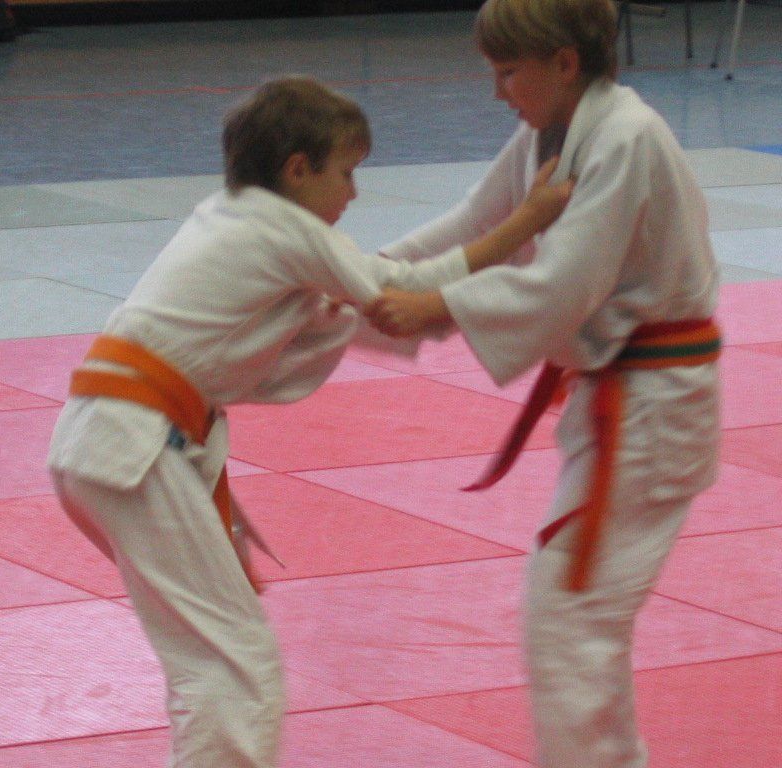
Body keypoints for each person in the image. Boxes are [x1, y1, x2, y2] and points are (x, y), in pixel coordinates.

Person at [47, 75, 572, 768]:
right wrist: (525, 222)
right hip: (134, 449)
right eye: (346, 173)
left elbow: (366, 293)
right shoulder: (284, 228)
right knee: (235, 662)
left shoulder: (233, 218)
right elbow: (399, 287)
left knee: (212, 654)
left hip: (106, 444)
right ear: (298, 169)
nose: (354, 192)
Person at [365, 2, 720, 767]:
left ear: (564, 63)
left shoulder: (625, 138)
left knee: (570, 616)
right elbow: (476, 224)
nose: (497, 92)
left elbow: (562, 286)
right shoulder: (552, 132)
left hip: (656, 411)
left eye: (507, 72)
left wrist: (431, 305)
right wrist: (361, 279)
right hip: (624, 402)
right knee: (574, 620)